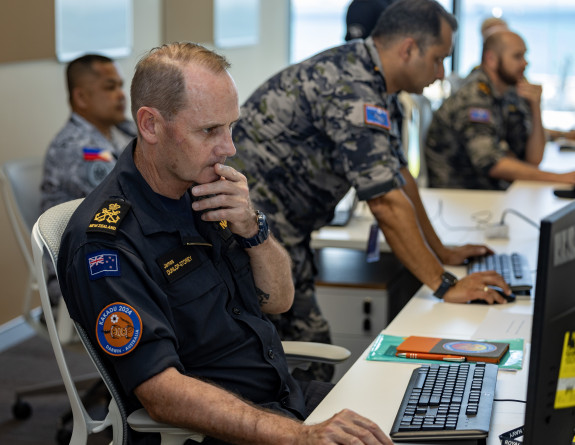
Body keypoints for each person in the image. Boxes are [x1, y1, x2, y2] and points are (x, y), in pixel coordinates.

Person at [56, 42, 393, 445]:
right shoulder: (106, 244)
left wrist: (252, 228)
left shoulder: (203, 191)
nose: (229, 148)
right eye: (209, 130)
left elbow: (279, 300)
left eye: (230, 126)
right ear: (150, 125)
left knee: (415, 419)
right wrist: (299, 436)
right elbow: (160, 393)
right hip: (218, 431)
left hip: (284, 400)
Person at [230, 0, 511, 373]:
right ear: (409, 49)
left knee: (300, 356)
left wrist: (440, 251)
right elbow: (385, 202)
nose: (441, 73)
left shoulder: (379, 84)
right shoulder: (353, 86)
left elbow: (399, 176)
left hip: (283, 230)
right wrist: (445, 285)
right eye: (439, 59)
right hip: (249, 234)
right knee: (305, 361)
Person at [425, 30, 575, 190]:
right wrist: (560, 178)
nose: (525, 63)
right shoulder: (474, 96)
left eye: (525, 56)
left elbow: (533, 159)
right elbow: (492, 164)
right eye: (518, 57)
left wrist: (536, 107)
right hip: (462, 197)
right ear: (491, 59)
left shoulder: (509, 93)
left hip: (494, 193)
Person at [41, 54, 136, 303]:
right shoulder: (76, 148)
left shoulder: (121, 129)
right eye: (109, 87)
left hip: (117, 249)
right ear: (81, 97)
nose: (121, 94)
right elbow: (126, 202)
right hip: (81, 267)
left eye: (119, 85)